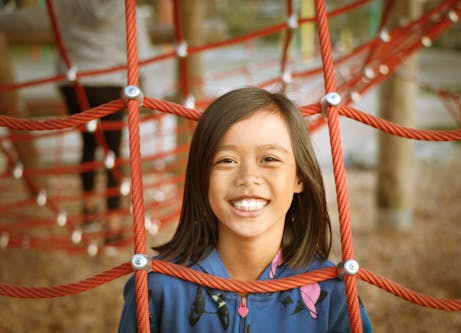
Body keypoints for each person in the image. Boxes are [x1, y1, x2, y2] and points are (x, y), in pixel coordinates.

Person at [118, 87, 372, 332]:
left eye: (269, 159)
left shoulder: (332, 293)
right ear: (202, 178)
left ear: (299, 177)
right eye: (226, 160)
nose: (248, 177)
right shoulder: (159, 286)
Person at [0, 0, 157, 242]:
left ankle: (89, 209)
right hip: (111, 80)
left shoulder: (66, 2)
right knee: (112, 150)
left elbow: (30, 20)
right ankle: (113, 223)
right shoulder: (126, 5)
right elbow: (142, 49)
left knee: (89, 144)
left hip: (75, 81)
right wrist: (151, 90)